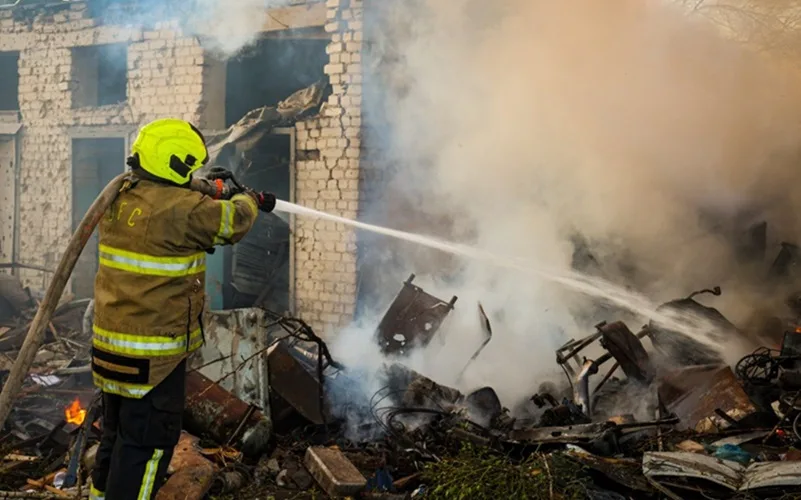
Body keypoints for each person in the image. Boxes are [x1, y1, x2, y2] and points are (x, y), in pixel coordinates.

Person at [88, 118, 275, 500]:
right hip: (153, 359)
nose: (193, 175)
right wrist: (245, 198)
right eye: (189, 167)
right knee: (148, 447)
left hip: (111, 350)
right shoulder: (184, 210)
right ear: (172, 163)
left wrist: (213, 188)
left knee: (116, 438)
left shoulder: (121, 195)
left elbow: (176, 206)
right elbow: (234, 222)